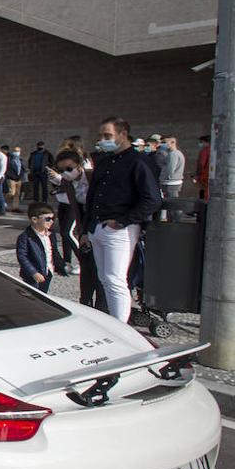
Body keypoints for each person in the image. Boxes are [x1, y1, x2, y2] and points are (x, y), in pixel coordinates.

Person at [81, 117, 162, 323]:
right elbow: (93, 195)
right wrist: (85, 229)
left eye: (107, 135)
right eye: (101, 136)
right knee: (104, 278)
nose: (102, 140)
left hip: (119, 228)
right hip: (97, 226)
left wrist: (123, 221)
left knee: (116, 279)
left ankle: (121, 326)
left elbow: (152, 199)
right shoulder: (104, 161)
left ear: (123, 134)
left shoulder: (139, 161)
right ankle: (113, 320)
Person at [17, 203, 66, 294]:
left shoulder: (51, 234)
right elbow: (22, 257)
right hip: (33, 275)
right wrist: (33, 272)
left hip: (48, 271)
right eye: (47, 219)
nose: (51, 221)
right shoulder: (26, 237)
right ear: (34, 219)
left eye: (53, 219)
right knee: (31, 296)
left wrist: (60, 266)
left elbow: (53, 251)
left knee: (43, 295)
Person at [6, 145, 25, 211]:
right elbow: (7, 168)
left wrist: (22, 176)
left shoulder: (20, 159)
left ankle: (15, 208)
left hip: (19, 179)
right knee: (12, 193)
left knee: (17, 194)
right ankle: (3, 204)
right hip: (11, 178)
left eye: (18, 151)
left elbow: (22, 168)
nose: (17, 152)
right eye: (15, 151)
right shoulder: (9, 158)